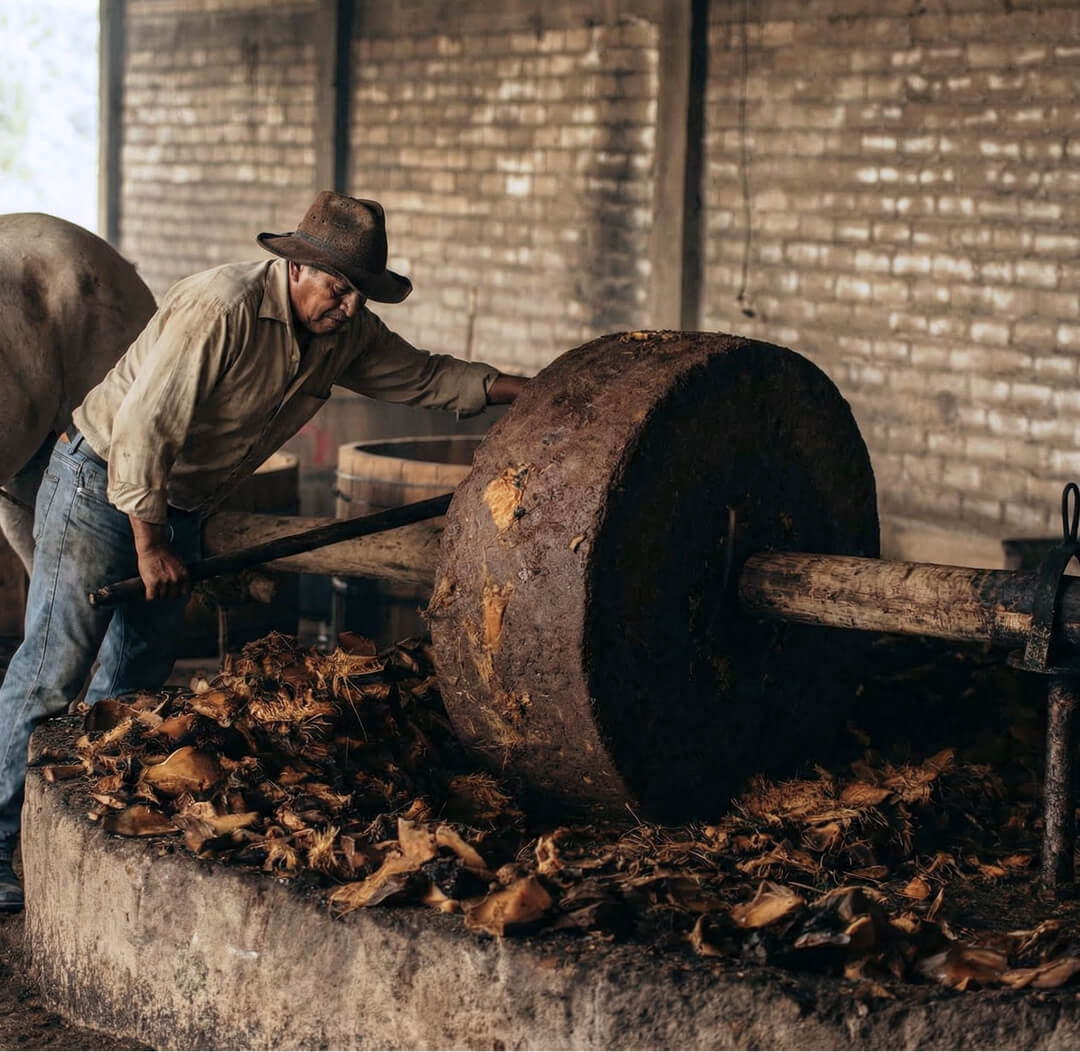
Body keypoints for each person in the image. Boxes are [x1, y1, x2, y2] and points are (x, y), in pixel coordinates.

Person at [0, 191, 528, 910]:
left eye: (358, 294)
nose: (347, 306)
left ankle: (94, 837)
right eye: (338, 289)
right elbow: (145, 428)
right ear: (298, 268)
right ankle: (0, 845)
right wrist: (149, 544)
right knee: (49, 672)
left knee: (137, 681)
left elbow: (426, 377)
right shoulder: (222, 308)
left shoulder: (345, 332)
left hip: (179, 504)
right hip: (99, 486)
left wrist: (520, 390)